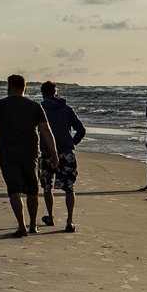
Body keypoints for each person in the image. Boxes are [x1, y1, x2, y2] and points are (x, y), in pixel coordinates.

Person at [0, 74, 58, 238]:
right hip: (31, 153)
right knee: (32, 189)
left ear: (9, 87)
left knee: (14, 189)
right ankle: (33, 224)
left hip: (9, 153)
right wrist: (53, 152)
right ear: (25, 88)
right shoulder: (34, 105)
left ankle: (21, 225)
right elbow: (45, 130)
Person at [37, 80, 88, 233]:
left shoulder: (40, 109)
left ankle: (51, 217)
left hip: (47, 152)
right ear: (56, 92)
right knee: (69, 188)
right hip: (67, 152)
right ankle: (69, 221)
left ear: (43, 93)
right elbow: (81, 130)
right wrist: (72, 143)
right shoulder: (66, 109)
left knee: (47, 186)